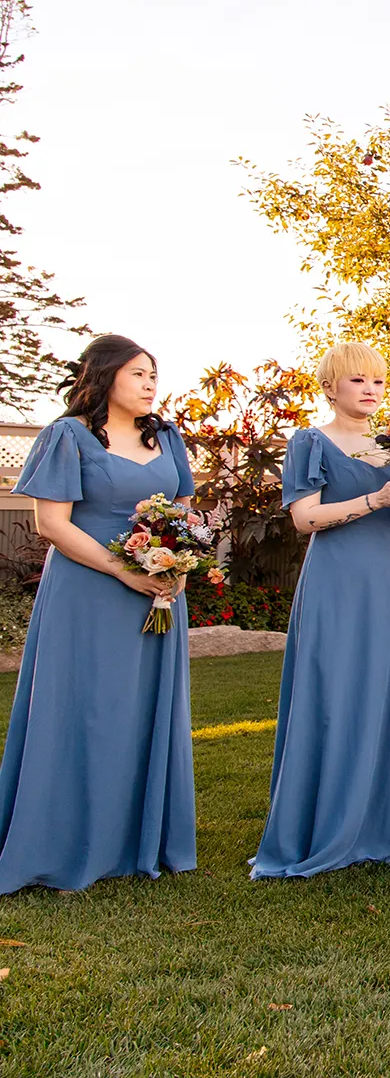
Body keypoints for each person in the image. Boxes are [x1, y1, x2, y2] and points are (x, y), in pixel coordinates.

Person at [0, 335, 198, 893]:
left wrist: (177, 565)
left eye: (153, 375)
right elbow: (52, 525)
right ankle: (67, 840)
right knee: (86, 707)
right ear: (105, 376)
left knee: (144, 708)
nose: (149, 384)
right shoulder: (68, 436)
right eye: (137, 374)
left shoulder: (167, 437)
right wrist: (122, 570)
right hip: (88, 592)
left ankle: (139, 839)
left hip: (158, 592)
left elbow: (183, 512)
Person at [250, 343, 390, 879]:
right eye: (358, 381)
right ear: (330, 387)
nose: (371, 390)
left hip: (383, 580)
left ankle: (382, 824)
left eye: (378, 381)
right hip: (335, 580)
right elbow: (305, 519)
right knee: (331, 692)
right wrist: (373, 500)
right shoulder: (311, 441)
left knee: (381, 690)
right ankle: (322, 825)